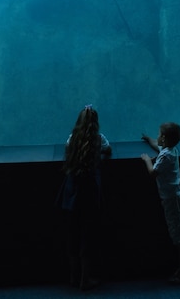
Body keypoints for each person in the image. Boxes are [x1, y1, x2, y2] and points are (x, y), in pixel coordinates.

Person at [56, 105, 112, 291]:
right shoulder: (99, 139)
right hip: (90, 195)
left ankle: (73, 276)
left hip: (71, 194)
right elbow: (108, 150)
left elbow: (67, 152)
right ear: (96, 124)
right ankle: (85, 279)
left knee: (72, 235)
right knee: (88, 237)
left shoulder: (71, 140)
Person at [141, 122, 180, 285]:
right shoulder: (171, 151)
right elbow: (158, 147)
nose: (157, 137)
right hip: (176, 197)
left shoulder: (165, 156)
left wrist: (146, 160)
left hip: (172, 200)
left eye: (158, 134)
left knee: (179, 236)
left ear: (164, 138)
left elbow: (152, 173)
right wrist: (149, 139)